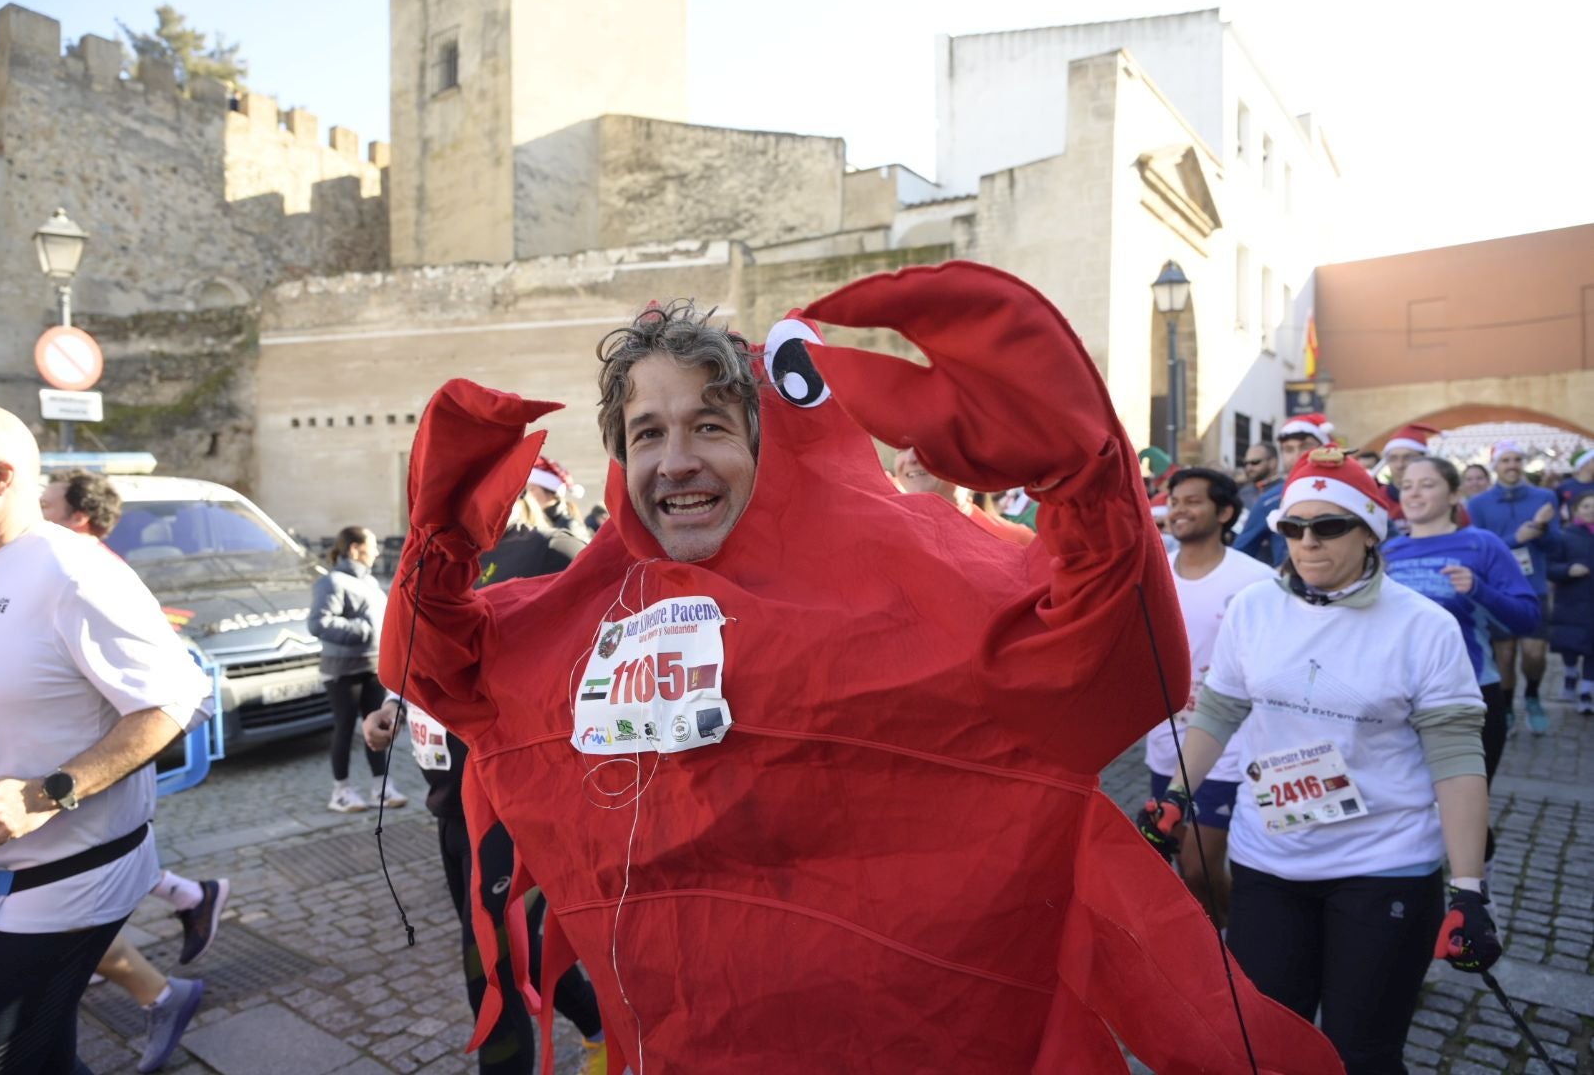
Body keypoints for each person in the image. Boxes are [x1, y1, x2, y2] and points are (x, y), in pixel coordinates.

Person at [376, 273, 1343, 1074]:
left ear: (766, 443)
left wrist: (1081, 478)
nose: (676, 460)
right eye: (647, 433)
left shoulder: (915, 583)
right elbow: (441, 669)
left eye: (711, 426)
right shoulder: (580, 617)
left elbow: (1111, 660)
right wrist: (442, 538)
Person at [1138, 446, 1498, 1074]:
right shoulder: (1254, 608)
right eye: (1293, 527)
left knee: (1363, 1053)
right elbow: (1219, 713)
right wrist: (1175, 796)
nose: (1307, 542)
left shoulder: (1424, 627)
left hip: (1384, 862)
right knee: (1270, 1043)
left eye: (1329, 526)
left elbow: (1457, 759)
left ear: (1369, 534)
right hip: (1268, 859)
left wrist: (1468, 891)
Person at [0, 404, 213, 1075]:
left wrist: (49, 792)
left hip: (67, 878)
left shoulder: (73, 571)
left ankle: (167, 998)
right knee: (42, 1056)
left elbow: (173, 701)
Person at [365, 465, 606, 1075]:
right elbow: (421, 660)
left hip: (515, 803)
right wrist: (392, 707)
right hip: (448, 799)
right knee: (504, 950)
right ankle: (599, 1022)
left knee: (488, 967)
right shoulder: (425, 564)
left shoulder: (554, 551)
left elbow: (602, 662)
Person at [39, 468, 229, 1072]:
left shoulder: (87, 574)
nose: (35, 511)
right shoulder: (44, 567)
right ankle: (188, 903)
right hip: (58, 811)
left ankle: (168, 978)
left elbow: (180, 699)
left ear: (78, 518)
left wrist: (65, 780)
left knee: (67, 916)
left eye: (44, 503)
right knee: (63, 923)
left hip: (75, 794)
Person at [1382, 456, 1539, 872]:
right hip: (1397, 700)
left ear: (1454, 495)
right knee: (1407, 808)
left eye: (1427, 485)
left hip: (1471, 696)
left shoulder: (1482, 544)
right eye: (1408, 484)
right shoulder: (1387, 551)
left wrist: (1479, 589)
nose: (1413, 493)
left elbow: (1527, 617)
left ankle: (1476, 907)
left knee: (1465, 809)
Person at [1143, 467, 1273, 922]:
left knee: (1199, 864)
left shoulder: (1255, 580)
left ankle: (1231, 950)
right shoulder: (1153, 574)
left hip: (1227, 745)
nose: (1179, 509)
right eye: (1174, 500)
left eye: (1192, 501)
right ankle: (1217, 946)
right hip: (1165, 743)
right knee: (1181, 860)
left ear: (1225, 512)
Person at [309, 525, 405, 812]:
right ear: (354, 548)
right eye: (371, 545)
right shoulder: (332, 582)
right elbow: (318, 623)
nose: (376, 551)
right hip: (342, 671)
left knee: (377, 725)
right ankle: (341, 792)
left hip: (373, 666)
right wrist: (364, 630)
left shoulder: (370, 582)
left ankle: (381, 787)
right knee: (344, 727)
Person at [1466, 442, 1561, 734]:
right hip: (1497, 590)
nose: (1512, 465)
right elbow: (1478, 550)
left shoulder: (1545, 498)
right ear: (1495, 465)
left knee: (1534, 653)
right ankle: (1506, 706)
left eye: (1517, 459)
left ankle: (1532, 694)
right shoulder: (1478, 503)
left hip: (1533, 586)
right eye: (1505, 460)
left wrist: (1542, 529)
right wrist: (1517, 538)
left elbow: (1554, 545)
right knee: (1504, 654)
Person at [1235, 412, 1332, 566]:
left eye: (1306, 446)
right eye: (1288, 449)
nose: (1298, 455)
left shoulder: (1348, 490)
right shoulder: (1271, 500)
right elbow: (1241, 551)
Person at [894, 444, 1035, 546]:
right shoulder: (885, 534)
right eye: (901, 447)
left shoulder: (1017, 540)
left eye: (926, 446)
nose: (910, 458)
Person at [1548, 490, 1594, 717]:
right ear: (1575, 510)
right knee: (1571, 645)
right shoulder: (1564, 536)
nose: (1591, 511)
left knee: (1592, 650)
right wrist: (1568, 570)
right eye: (1586, 506)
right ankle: (1569, 673)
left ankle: (1586, 692)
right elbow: (1551, 568)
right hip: (1572, 602)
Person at [1238, 440, 1280, 510]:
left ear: (1272, 463)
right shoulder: (1243, 493)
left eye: (1255, 462)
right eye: (1246, 463)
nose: (1249, 468)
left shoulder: (1286, 490)